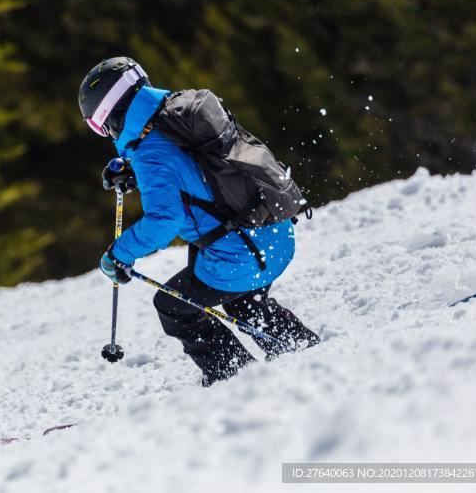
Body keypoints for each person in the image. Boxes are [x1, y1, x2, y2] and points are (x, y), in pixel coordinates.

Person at [78, 56, 319, 386]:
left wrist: (119, 254)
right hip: (273, 233)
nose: (102, 132)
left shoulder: (150, 151)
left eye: (97, 125)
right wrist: (131, 168)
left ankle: (235, 379)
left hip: (244, 254)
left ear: (109, 114)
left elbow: (165, 219)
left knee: (174, 308)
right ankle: (305, 350)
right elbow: (189, 169)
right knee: (244, 303)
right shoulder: (174, 116)